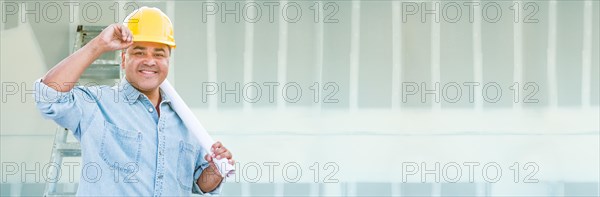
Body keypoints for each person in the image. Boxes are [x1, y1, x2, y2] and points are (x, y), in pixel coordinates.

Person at [34, 7, 233, 196]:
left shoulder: (185, 120)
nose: (150, 61)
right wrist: (98, 45)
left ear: (168, 61)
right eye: (139, 52)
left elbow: (199, 183)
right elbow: (48, 97)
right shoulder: (97, 104)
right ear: (123, 59)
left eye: (159, 54)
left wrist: (215, 171)